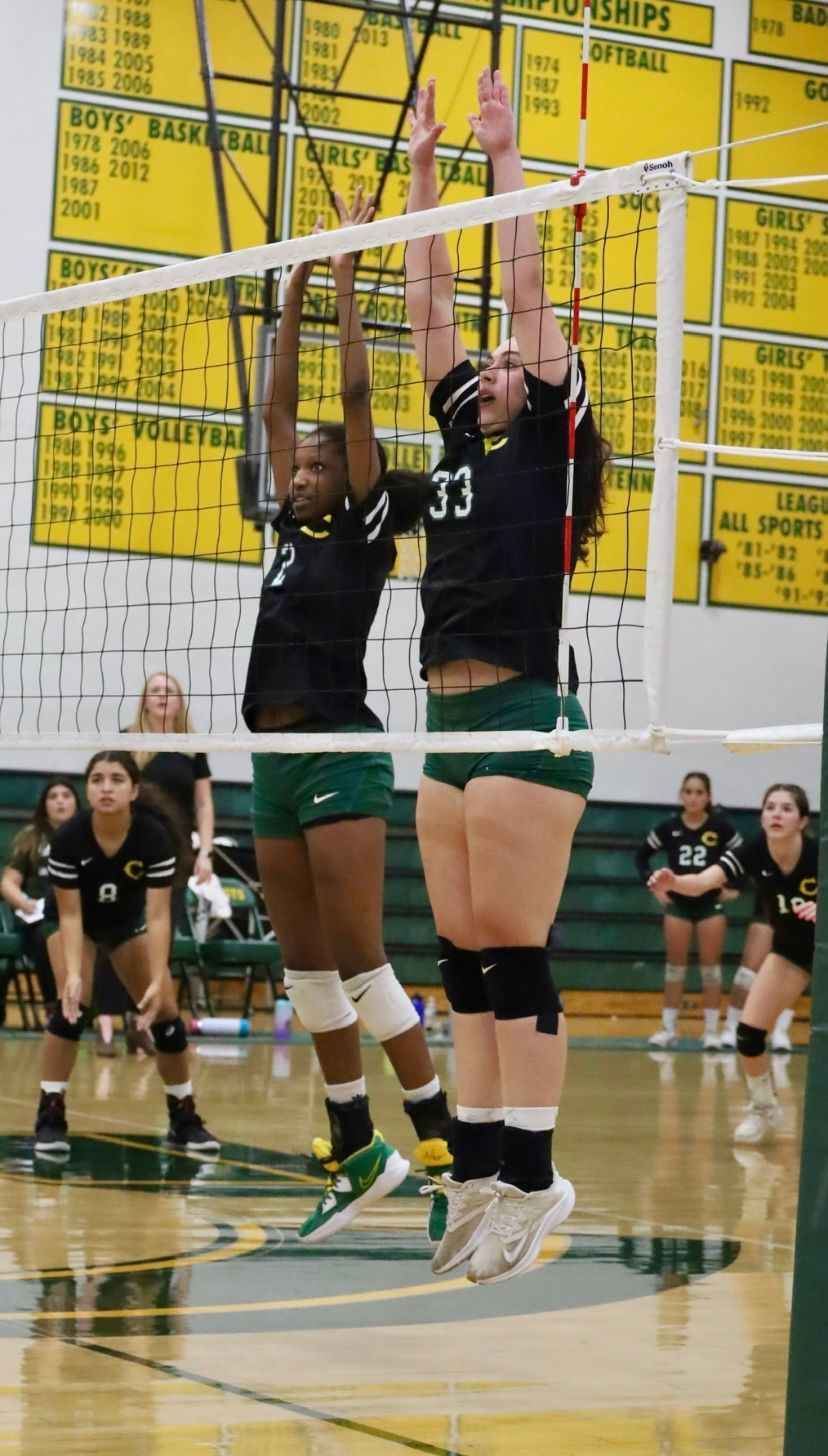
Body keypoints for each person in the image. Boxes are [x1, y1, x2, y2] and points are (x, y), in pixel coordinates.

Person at [403, 70, 610, 1285]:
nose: (486, 365)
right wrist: (425, 171)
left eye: (505, 363)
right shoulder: (458, 426)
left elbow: (522, 289)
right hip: (449, 722)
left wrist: (504, 159)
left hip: (532, 712)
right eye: (481, 367)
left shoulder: (548, 434)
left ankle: (538, 1179)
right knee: (462, 958)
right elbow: (432, 304)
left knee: (515, 950)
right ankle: (481, 1172)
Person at [242, 188, 451, 1244]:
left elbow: (352, 403)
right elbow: (278, 413)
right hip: (270, 757)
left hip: (339, 751)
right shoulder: (286, 517)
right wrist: (295, 283)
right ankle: (353, 1147)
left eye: (321, 463)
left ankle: (447, 1151)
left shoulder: (363, 527)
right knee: (305, 967)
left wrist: (353, 283)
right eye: (303, 464)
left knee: (363, 958)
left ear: (349, 477)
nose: (304, 468)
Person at [32, 750, 219, 1159]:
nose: (106, 787)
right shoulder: (69, 838)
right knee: (71, 1007)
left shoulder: (153, 836)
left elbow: (157, 916)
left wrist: (156, 978)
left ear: (134, 790)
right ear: (88, 789)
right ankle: (50, 1115)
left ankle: (183, 1117)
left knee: (167, 1017)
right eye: (97, 779)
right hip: (74, 922)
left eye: (116, 779)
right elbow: (69, 914)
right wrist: (75, 976)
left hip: (126, 923)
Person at [649, 783, 816, 1144]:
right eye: (770, 806)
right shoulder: (754, 849)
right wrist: (674, 880)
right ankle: (763, 1106)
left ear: (802, 820)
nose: (776, 813)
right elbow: (705, 880)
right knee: (749, 1034)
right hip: (790, 952)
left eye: (786, 808)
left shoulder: (818, 853)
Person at [125, 671, 215, 1017]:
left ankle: (154, 1013)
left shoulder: (191, 748)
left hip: (175, 854)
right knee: (129, 932)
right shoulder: (128, 741)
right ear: (144, 700)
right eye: (155, 690)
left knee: (162, 936)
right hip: (131, 852)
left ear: (180, 701)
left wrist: (204, 853)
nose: (163, 696)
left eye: (170, 691)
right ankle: (132, 1012)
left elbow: (204, 804)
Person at [635, 773, 742, 1050]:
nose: (693, 797)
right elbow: (641, 855)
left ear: (708, 796)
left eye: (699, 792)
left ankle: (711, 1032)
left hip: (709, 904)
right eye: (688, 791)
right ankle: (668, 1028)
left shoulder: (720, 826)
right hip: (678, 905)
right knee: (674, 968)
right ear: (681, 795)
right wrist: (654, 886)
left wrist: (735, 887)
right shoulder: (669, 827)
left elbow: (745, 857)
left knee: (711, 970)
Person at [1, 778, 77, 1021]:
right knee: (46, 935)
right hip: (39, 913)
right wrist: (23, 902)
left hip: (79, 912)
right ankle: (53, 1007)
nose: (60, 801)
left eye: (66, 795)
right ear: (44, 805)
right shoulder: (32, 838)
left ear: (77, 802)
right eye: (53, 797)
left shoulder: (88, 835)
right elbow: (8, 882)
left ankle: (93, 1008)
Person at [719, 905, 794, 1052]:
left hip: (798, 915)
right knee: (746, 974)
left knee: (792, 970)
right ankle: (731, 1027)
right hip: (769, 907)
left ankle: (780, 1030)